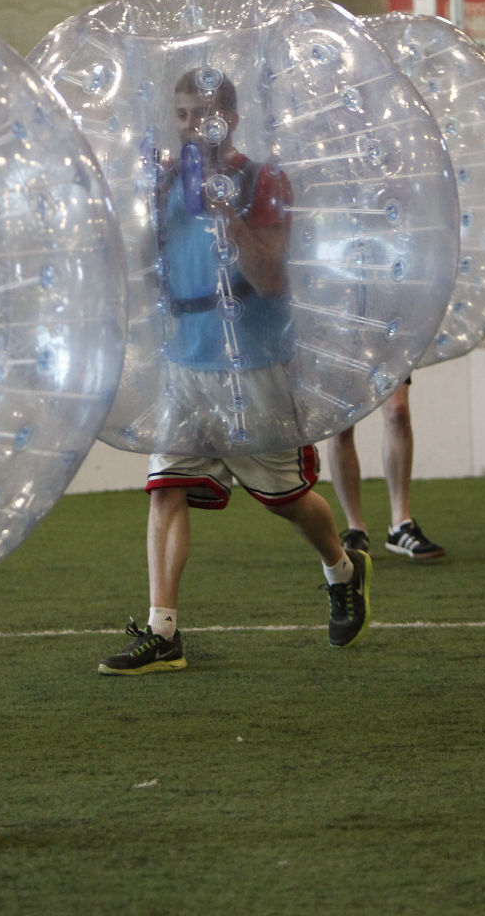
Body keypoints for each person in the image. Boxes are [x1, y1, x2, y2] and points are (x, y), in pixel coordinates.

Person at [98, 69, 370, 677]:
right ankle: (163, 629)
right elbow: (143, 271)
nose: (194, 127)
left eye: (205, 114)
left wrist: (231, 217)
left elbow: (272, 278)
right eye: (183, 115)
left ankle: (341, 568)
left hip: (255, 362)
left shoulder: (263, 180)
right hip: (185, 361)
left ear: (232, 118)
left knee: (286, 501)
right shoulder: (166, 180)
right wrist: (137, 210)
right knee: (166, 488)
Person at [326, 379, 446, 561]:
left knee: (398, 411)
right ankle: (355, 529)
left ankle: (401, 525)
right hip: (336, 351)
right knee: (341, 427)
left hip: (385, 349)